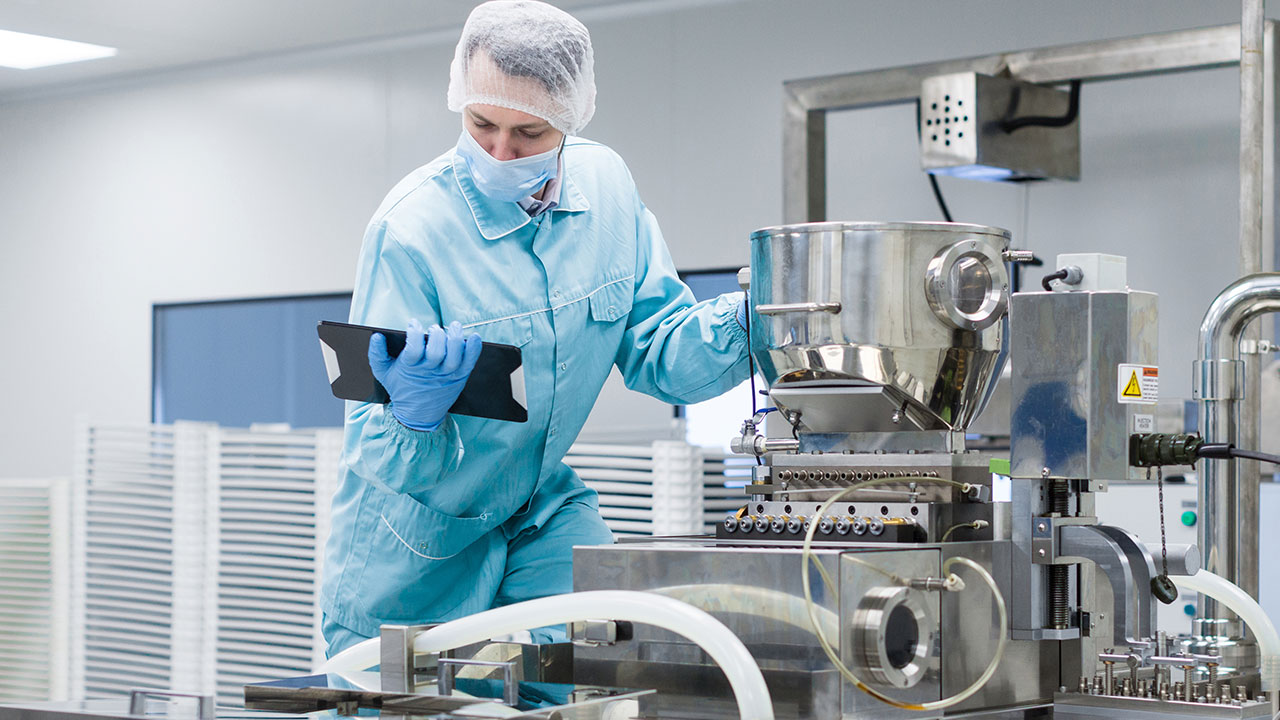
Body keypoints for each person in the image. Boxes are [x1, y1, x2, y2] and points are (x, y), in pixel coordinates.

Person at [319, 0, 749, 656]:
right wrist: (411, 418)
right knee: (408, 689)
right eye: (481, 124)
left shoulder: (608, 192)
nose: (500, 152)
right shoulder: (409, 231)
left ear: (571, 119)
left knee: (596, 659)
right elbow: (375, 445)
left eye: (529, 132)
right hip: (417, 531)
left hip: (537, 506)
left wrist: (760, 319)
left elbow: (661, 351)